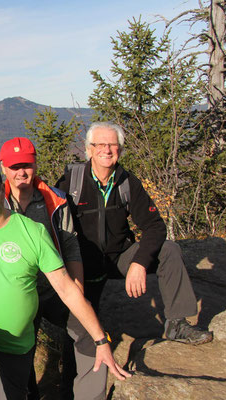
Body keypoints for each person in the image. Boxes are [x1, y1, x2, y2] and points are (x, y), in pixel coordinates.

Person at [0, 163, 131, 400]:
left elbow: (66, 289)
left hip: (16, 342)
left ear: (2, 190)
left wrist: (100, 339)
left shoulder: (32, 232)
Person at [56, 122, 213, 345]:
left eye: (113, 145)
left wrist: (139, 263)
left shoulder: (127, 182)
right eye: (100, 144)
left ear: (120, 149)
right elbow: (53, 224)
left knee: (169, 250)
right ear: (89, 149)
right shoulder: (72, 182)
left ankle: (177, 324)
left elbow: (155, 226)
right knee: (81, 336)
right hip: (83, 265)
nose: (107, 150)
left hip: (120, 258)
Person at [0, 137, 104, 400]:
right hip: (17, 295)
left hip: (54, 288)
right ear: (3, 168)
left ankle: (86, 394)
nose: (21, 172)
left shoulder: (54, 199)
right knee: (21, 352)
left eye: (27, 164)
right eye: (14, 166)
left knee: (89, 332)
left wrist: (77, 289)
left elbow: (70, 246)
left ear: (35, 164)